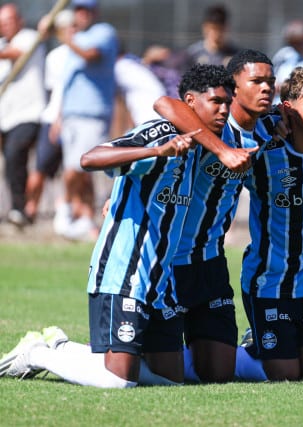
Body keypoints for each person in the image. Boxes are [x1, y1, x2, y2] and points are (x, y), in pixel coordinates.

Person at [0, 64, 237, 388]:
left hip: (161, 282)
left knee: (170, 383)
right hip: (125, 273)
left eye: (228, 103)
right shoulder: (163, 134)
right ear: (191, 102)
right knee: (118, 382)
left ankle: (77, 352)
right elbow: (91, 157)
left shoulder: (205, 149)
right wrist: (157, 151)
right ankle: (42, 352)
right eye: (217, 102)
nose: (224, 110)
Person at [153, 50, 277, 382]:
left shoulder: (267, 129)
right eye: (256, 81)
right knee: (164, 375)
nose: (266, 88)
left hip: (210, 261)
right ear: (234, 87)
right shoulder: (212, 123)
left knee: (219, 374)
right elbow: (166, 104)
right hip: (170, 263)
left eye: (270, 81)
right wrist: (222, 150)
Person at [55, 0, 119, 241]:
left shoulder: (103, 32)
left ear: (94, 11)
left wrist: (66, 38)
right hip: (71, 114)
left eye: (86, 9)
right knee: (77, 170)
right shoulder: (75, 39)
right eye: (78, 9)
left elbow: (91, 55)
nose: (81, 14)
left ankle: (67, 209)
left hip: (93, 113)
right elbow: (68, 83)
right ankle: (82, 217)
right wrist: (58, 117)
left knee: (80, 168)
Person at [24, 9, 73, 223]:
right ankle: (29, 210)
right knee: (41, 169)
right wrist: (57, 120)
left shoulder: (81, 54)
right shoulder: (55, 56)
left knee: (74, 171)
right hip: (53, 118)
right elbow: (57, 91)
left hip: (71, 119)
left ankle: (69, 211)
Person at [0, 3, 46, 227]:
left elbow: (15, 53)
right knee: (10, 163)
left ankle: (21, 208)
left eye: (9, 20)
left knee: (14, 154)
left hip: (29, 113)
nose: (6, 25)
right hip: (5, 117)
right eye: (2, 22)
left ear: (19, 21)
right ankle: (16, 207)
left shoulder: (29, 37)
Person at [114, 48, 166, 127]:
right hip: (157, 110)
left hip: (148, 113)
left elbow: (118, 103)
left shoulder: (121, 66)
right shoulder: (131, 63)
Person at [184, 4, 238, 69]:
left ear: (227, 28)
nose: (216, 33)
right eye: (212, 28)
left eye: (220, 29)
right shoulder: (192, 54)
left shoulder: (235, 55)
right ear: (205, 27)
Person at [272, 20, 303, 103]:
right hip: (279, 103)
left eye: (298, 41)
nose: (295, 44)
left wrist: (287, 87)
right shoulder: (283, 54)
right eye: (292, 41)